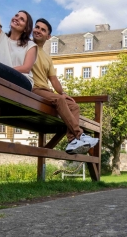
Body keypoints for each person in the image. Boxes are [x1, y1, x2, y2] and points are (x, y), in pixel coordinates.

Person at [31, 18, 99, 154]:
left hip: (45, 90)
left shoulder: (47, 57)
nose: (38, 30)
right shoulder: (26, 46)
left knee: (73, 105)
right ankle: (80, 135)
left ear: (48, 36)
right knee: (60, 100)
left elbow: (54, 79)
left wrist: (62, 93)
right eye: (37, 27)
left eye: (42, 29)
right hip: (33, 89)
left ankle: (72, 141)